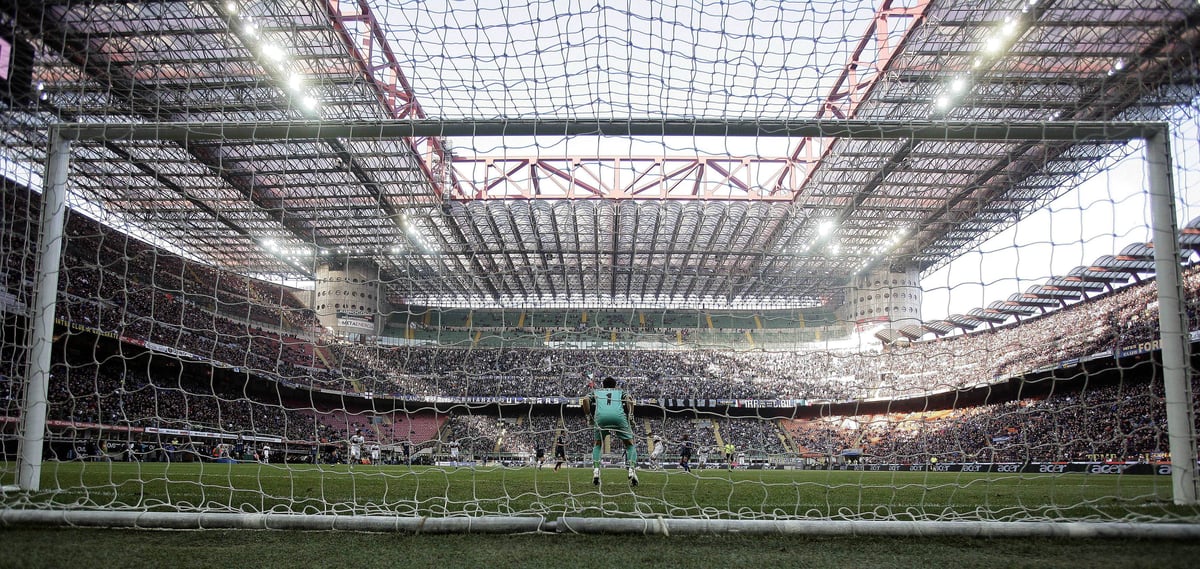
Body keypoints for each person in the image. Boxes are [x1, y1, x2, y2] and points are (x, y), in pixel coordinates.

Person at [580, 376, 638, 487]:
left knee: (598, 444)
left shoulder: (597, 391)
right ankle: (631, 469)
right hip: (619, 417)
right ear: (615, 385)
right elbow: (629, 399)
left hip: (601, 418)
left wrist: (589, 417)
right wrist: (631, 417)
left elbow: (585, 400)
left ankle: (596, 470)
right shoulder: (620, 391)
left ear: (603, 385)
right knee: (629, 444)